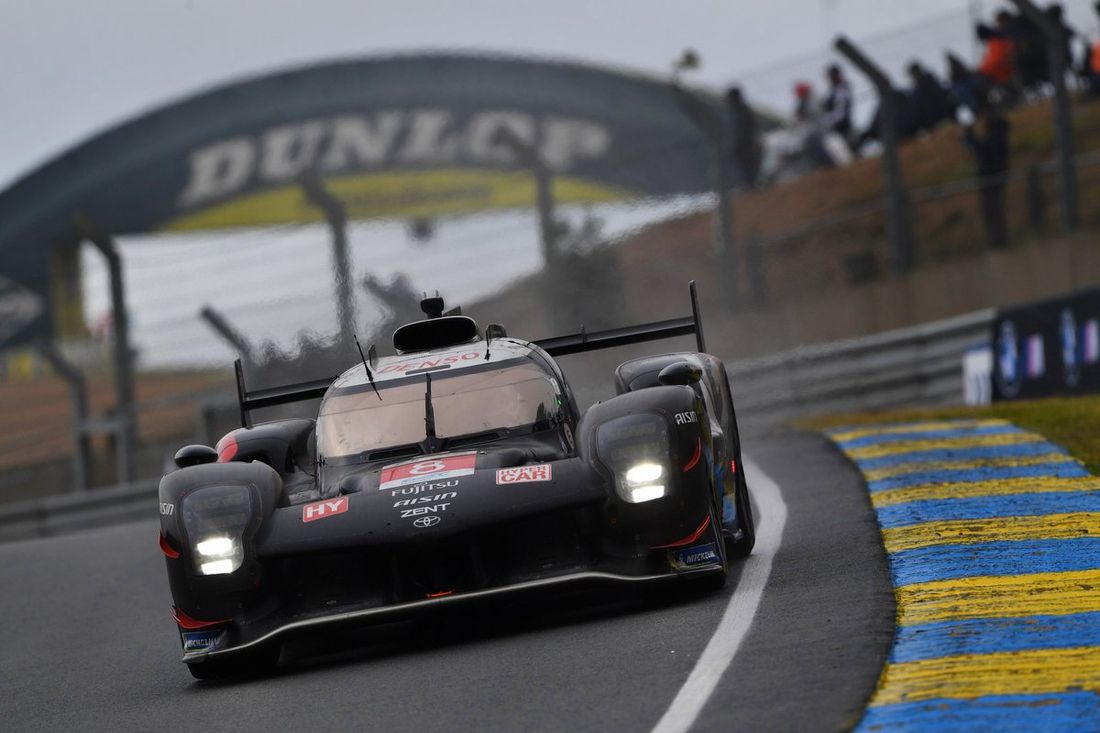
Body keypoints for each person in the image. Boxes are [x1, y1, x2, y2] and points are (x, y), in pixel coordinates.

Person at [963, 102, 1012, 249]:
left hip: (991, 175)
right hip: (992, 174)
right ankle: (996, 238)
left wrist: (970, 138)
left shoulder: (996, 133)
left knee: (992, 209)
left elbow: (984, 151)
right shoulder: (999, 132)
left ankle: (997, 239)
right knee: (992, 209)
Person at [725, 86, 762, 189]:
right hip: (745, 144)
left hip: (744, 144)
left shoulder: (740, 112)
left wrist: (735, 144)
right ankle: (749, 185)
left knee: (747, 167)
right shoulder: (741, 110)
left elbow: (741, 130)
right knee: (746, 167)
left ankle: (750, 186)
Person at [822, 64, 854, 156]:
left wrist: (827, 121)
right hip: (838, 124)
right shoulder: (834, 89)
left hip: (842, 126)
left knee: (846, 151)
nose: (830, 79)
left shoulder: (842, 90)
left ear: (836, 75)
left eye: (831, 76)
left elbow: (840, 112)